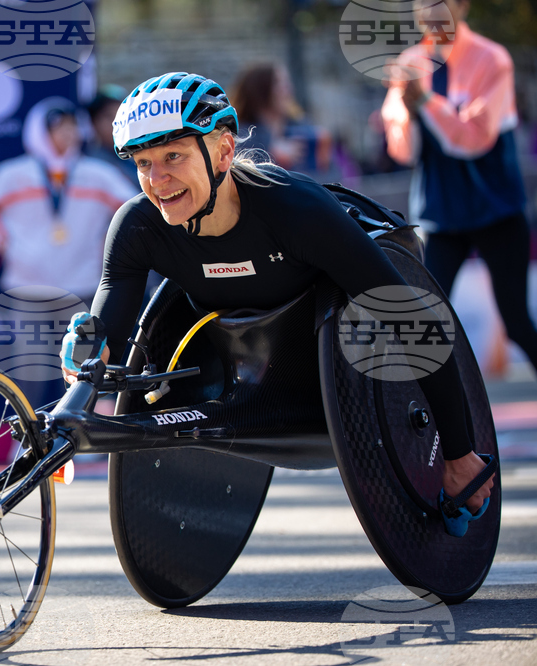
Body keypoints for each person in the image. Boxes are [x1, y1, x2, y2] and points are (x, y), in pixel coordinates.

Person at [61, 72, 493, 521]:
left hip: (347, 364)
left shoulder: (295, 210)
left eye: (173, 156)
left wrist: (459, 455)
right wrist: (83, 364)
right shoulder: (137, 227)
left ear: (224, 151)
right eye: (143, 163)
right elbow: (106, 326)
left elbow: (413, 323)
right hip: (244, 378)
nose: (158, 180)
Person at [380, 0, 537, 375]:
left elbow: (473, 138)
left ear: (462, 6)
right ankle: (424, 418)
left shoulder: (491, 59)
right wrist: (410, 108)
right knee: (424, 325)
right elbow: (403, 148)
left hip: (496, 210)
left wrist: (426, 103)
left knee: (516, 321)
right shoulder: (411, 62)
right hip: (441, 215)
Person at [0, 97, 138, 305]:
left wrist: (109, 249)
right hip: (27, 288)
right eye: (58, 127)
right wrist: (6, 244)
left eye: (72, 125)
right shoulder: (14, 174)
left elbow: (135, 210)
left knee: (85, 339)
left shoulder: (98, 174)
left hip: (85, 285)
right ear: (38, 131)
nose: (68, 133)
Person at [231, 63, 331, 174]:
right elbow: (236, 173)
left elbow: (334, 175)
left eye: (287, 83)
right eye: (278, 83)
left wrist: (324, 153)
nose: (287, 89)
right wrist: (272, 155)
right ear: (260, 90)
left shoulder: (302, 127)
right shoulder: (242, 136)